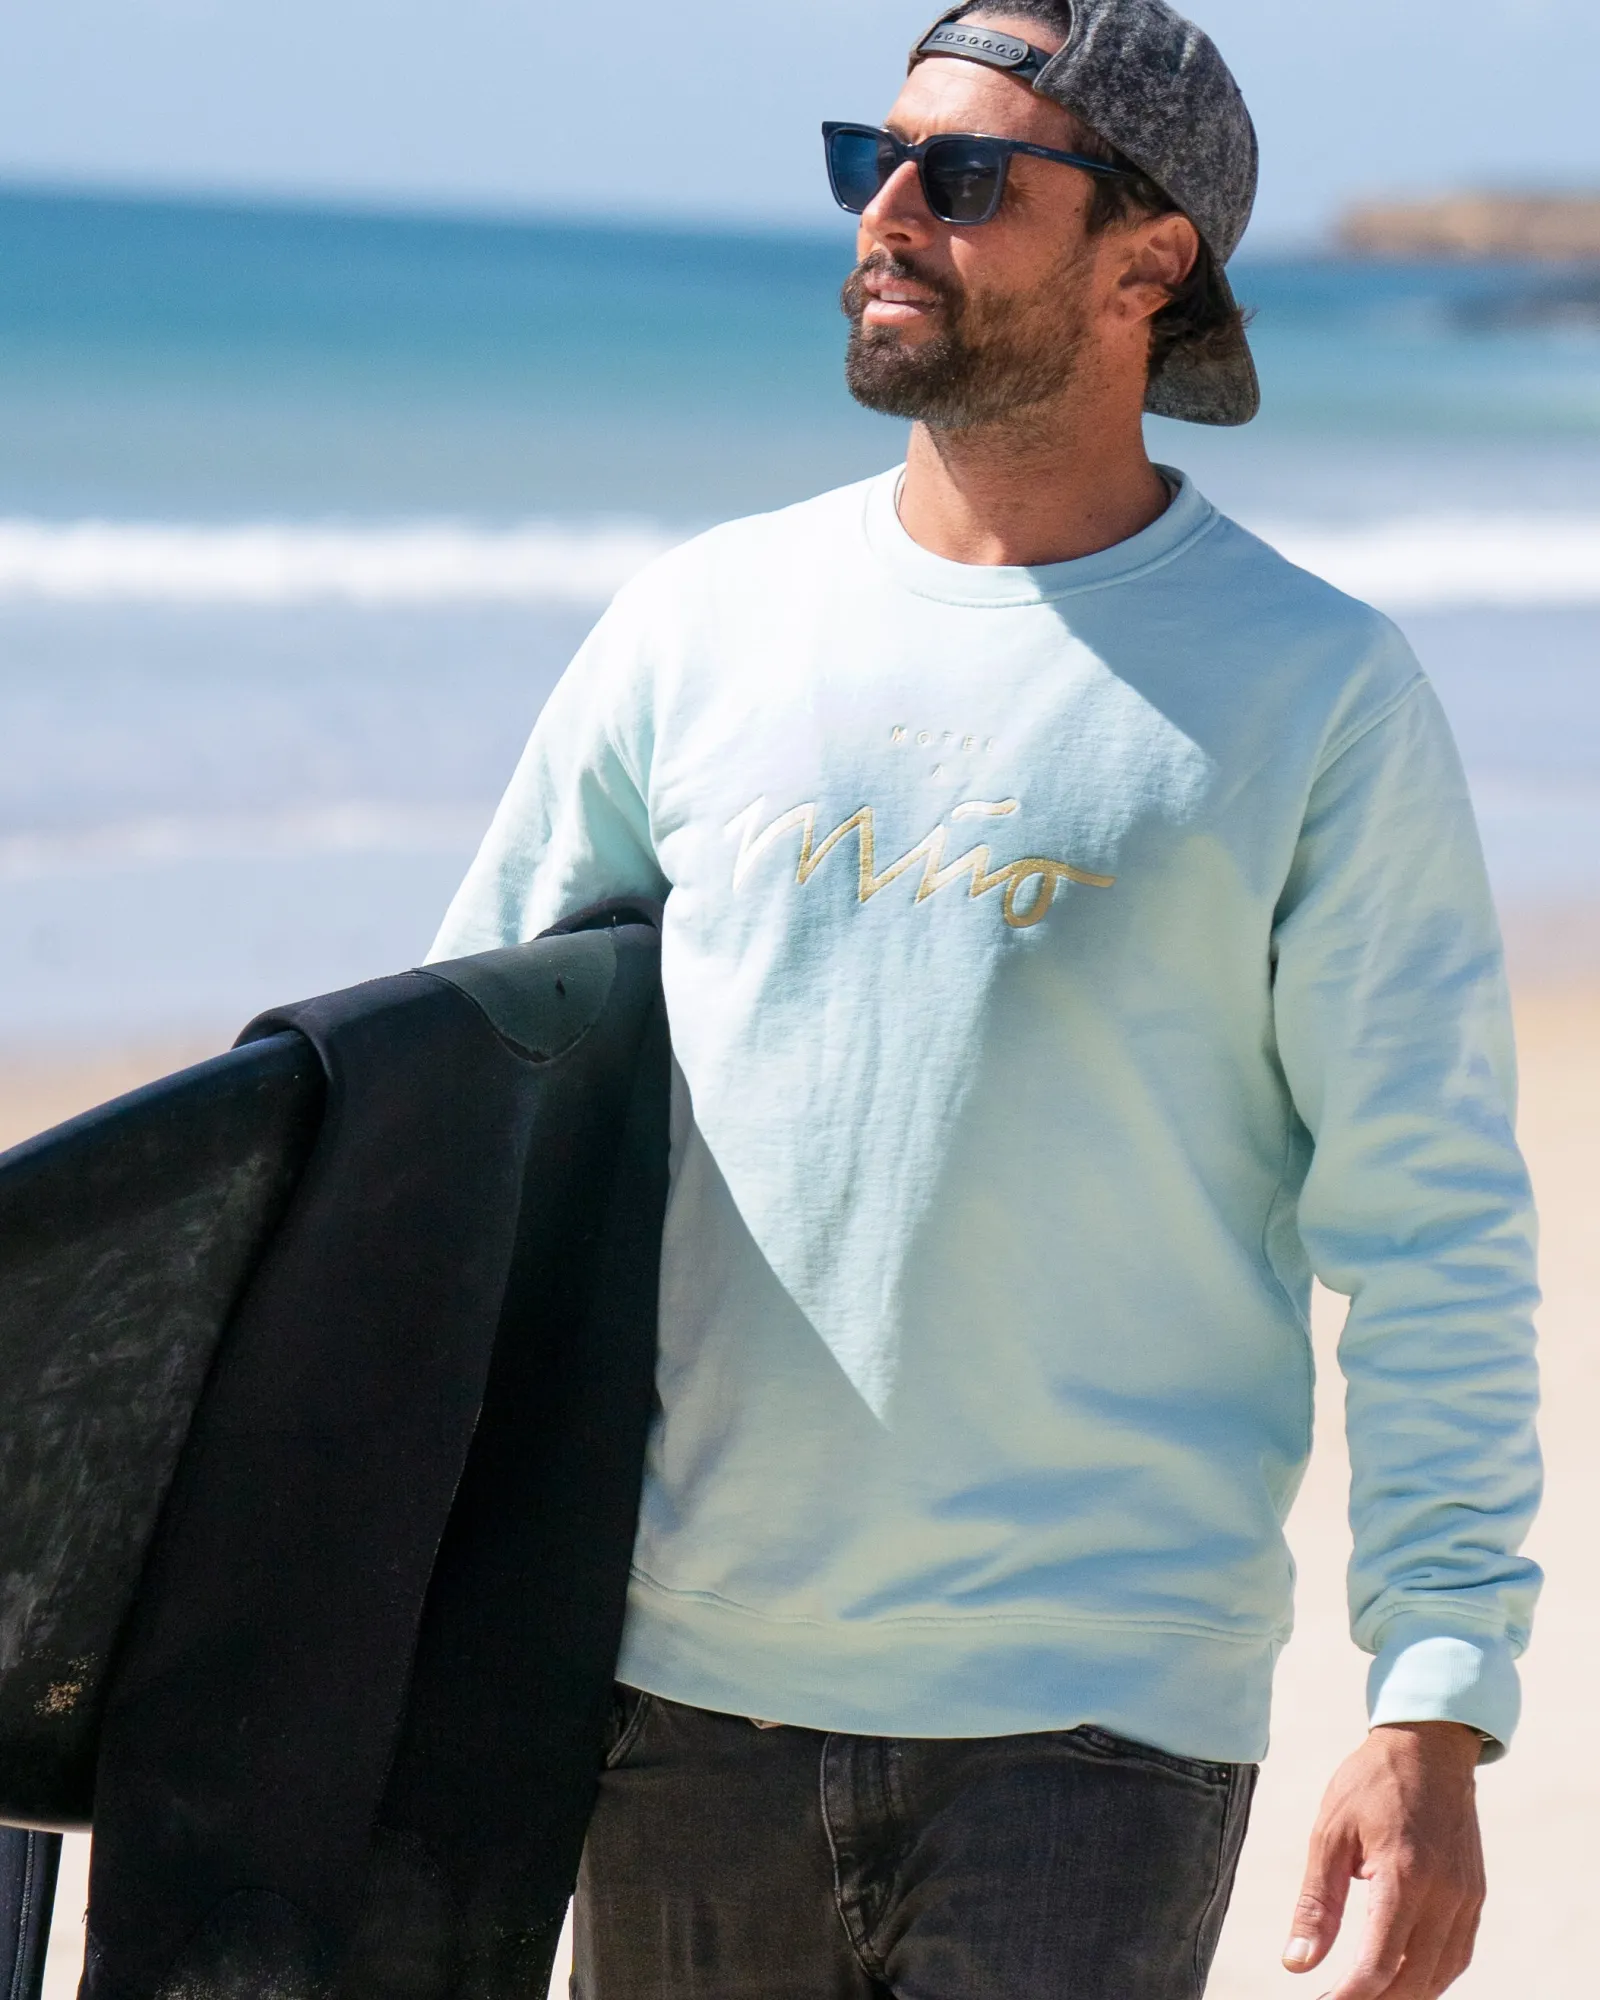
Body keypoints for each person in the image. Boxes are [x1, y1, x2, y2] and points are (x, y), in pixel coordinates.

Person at [430, 3, 1542, 1994]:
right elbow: (459, 1106)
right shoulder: (698, 628)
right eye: (873, 158)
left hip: (1094, 1714)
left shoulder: (1315, 692)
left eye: (960, 175)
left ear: (1146, 258)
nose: (887, 212)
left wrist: (1432, 1692)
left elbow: (1430, 1222)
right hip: (679, 1686)